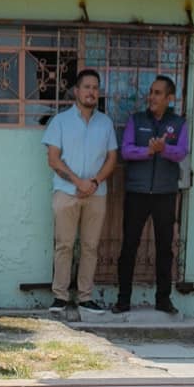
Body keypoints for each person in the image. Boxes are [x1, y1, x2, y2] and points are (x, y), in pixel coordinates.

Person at [42, 67, 118, 317]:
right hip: (66, 192)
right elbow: (53, 159)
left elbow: (111, 159)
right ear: (76, 91)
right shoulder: (60, 121)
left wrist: (94, 182)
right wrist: (78, 181)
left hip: (96, 194)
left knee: (90, 246)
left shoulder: (105, 123)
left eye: (95, 88)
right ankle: (60, 297)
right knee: (63, 245)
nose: (91, 92)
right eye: (87, 87)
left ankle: (85, 298)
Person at [112, 75, 190, 314]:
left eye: (158, 93)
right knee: (129, 246)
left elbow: (181, 152)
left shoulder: (178, 123)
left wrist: (163, 149)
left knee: (165, 248)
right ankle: (123, 299)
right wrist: (148, 150)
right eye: (151, 92)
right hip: (137, 191)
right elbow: (126, 150)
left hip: (165, 193)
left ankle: (163, 300)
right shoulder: (136, 120)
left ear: (169, 98)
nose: (152, 97)